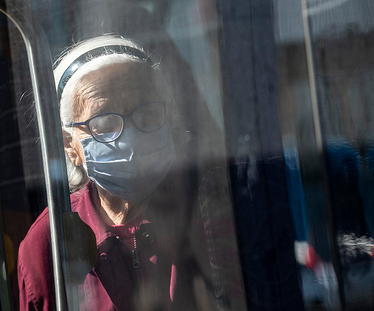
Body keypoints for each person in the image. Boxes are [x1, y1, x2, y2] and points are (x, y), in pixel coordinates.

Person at [17, 35, 236, 310]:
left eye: (146, 115)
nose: (129, 137)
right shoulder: (48, 243)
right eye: (105, 123)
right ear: (69, 145)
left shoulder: (212, 210)